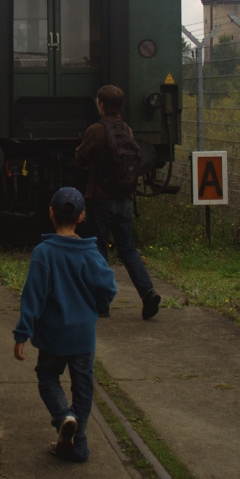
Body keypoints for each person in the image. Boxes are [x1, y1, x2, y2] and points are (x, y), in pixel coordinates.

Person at [13, 187, 116, 463]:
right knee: (83, 387)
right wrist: (96, 306)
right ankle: (78, 445)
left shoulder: (43, 253)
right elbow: (108, 287)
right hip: (83, 336)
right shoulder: (90, 252)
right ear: (82, 216)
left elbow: (32, 296)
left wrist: (22, 332)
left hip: (52, 336)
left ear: (50, 213)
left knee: (48, 378)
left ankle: (63, 417)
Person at [75, 84, 161, 320]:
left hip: (100, 199)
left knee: (98, 249)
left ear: (101, 104)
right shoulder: (128, 131)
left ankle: (102, 304)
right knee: (128, 250)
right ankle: (148, 292)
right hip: (123, 199)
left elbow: (81, 159)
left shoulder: (96, 130)